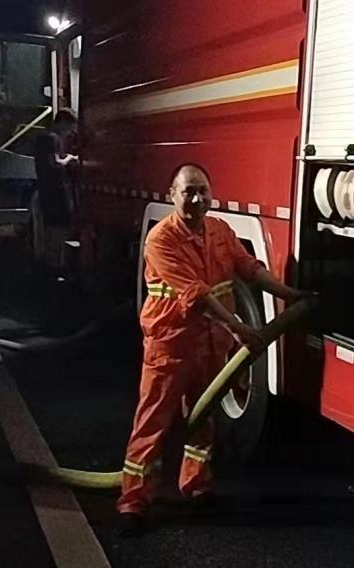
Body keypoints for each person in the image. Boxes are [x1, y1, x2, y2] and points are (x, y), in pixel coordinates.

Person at [117, 163, 305, 530]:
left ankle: (197, 488)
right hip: (170, 345)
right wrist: (239, 328)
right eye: (188, 191)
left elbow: (249, 268)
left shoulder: (219, 230)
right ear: (172, 195)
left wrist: (291, 294)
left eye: (202, 190)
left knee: (203, 420)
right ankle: (133, 503)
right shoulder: (161, 239)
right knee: (153, 422)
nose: (197, 198)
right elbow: (197, 295)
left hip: (208, 343)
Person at [33, 109, 79, 270]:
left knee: (50, 229)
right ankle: (55, 263)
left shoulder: (43, 138)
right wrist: (70, 159)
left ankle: (51, 262)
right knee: (57, 229)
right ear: (63, 123)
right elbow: (54, 163)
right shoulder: (50, 139)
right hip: (54, 192)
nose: (70, 132)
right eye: (70, 128)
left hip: (47, 191)